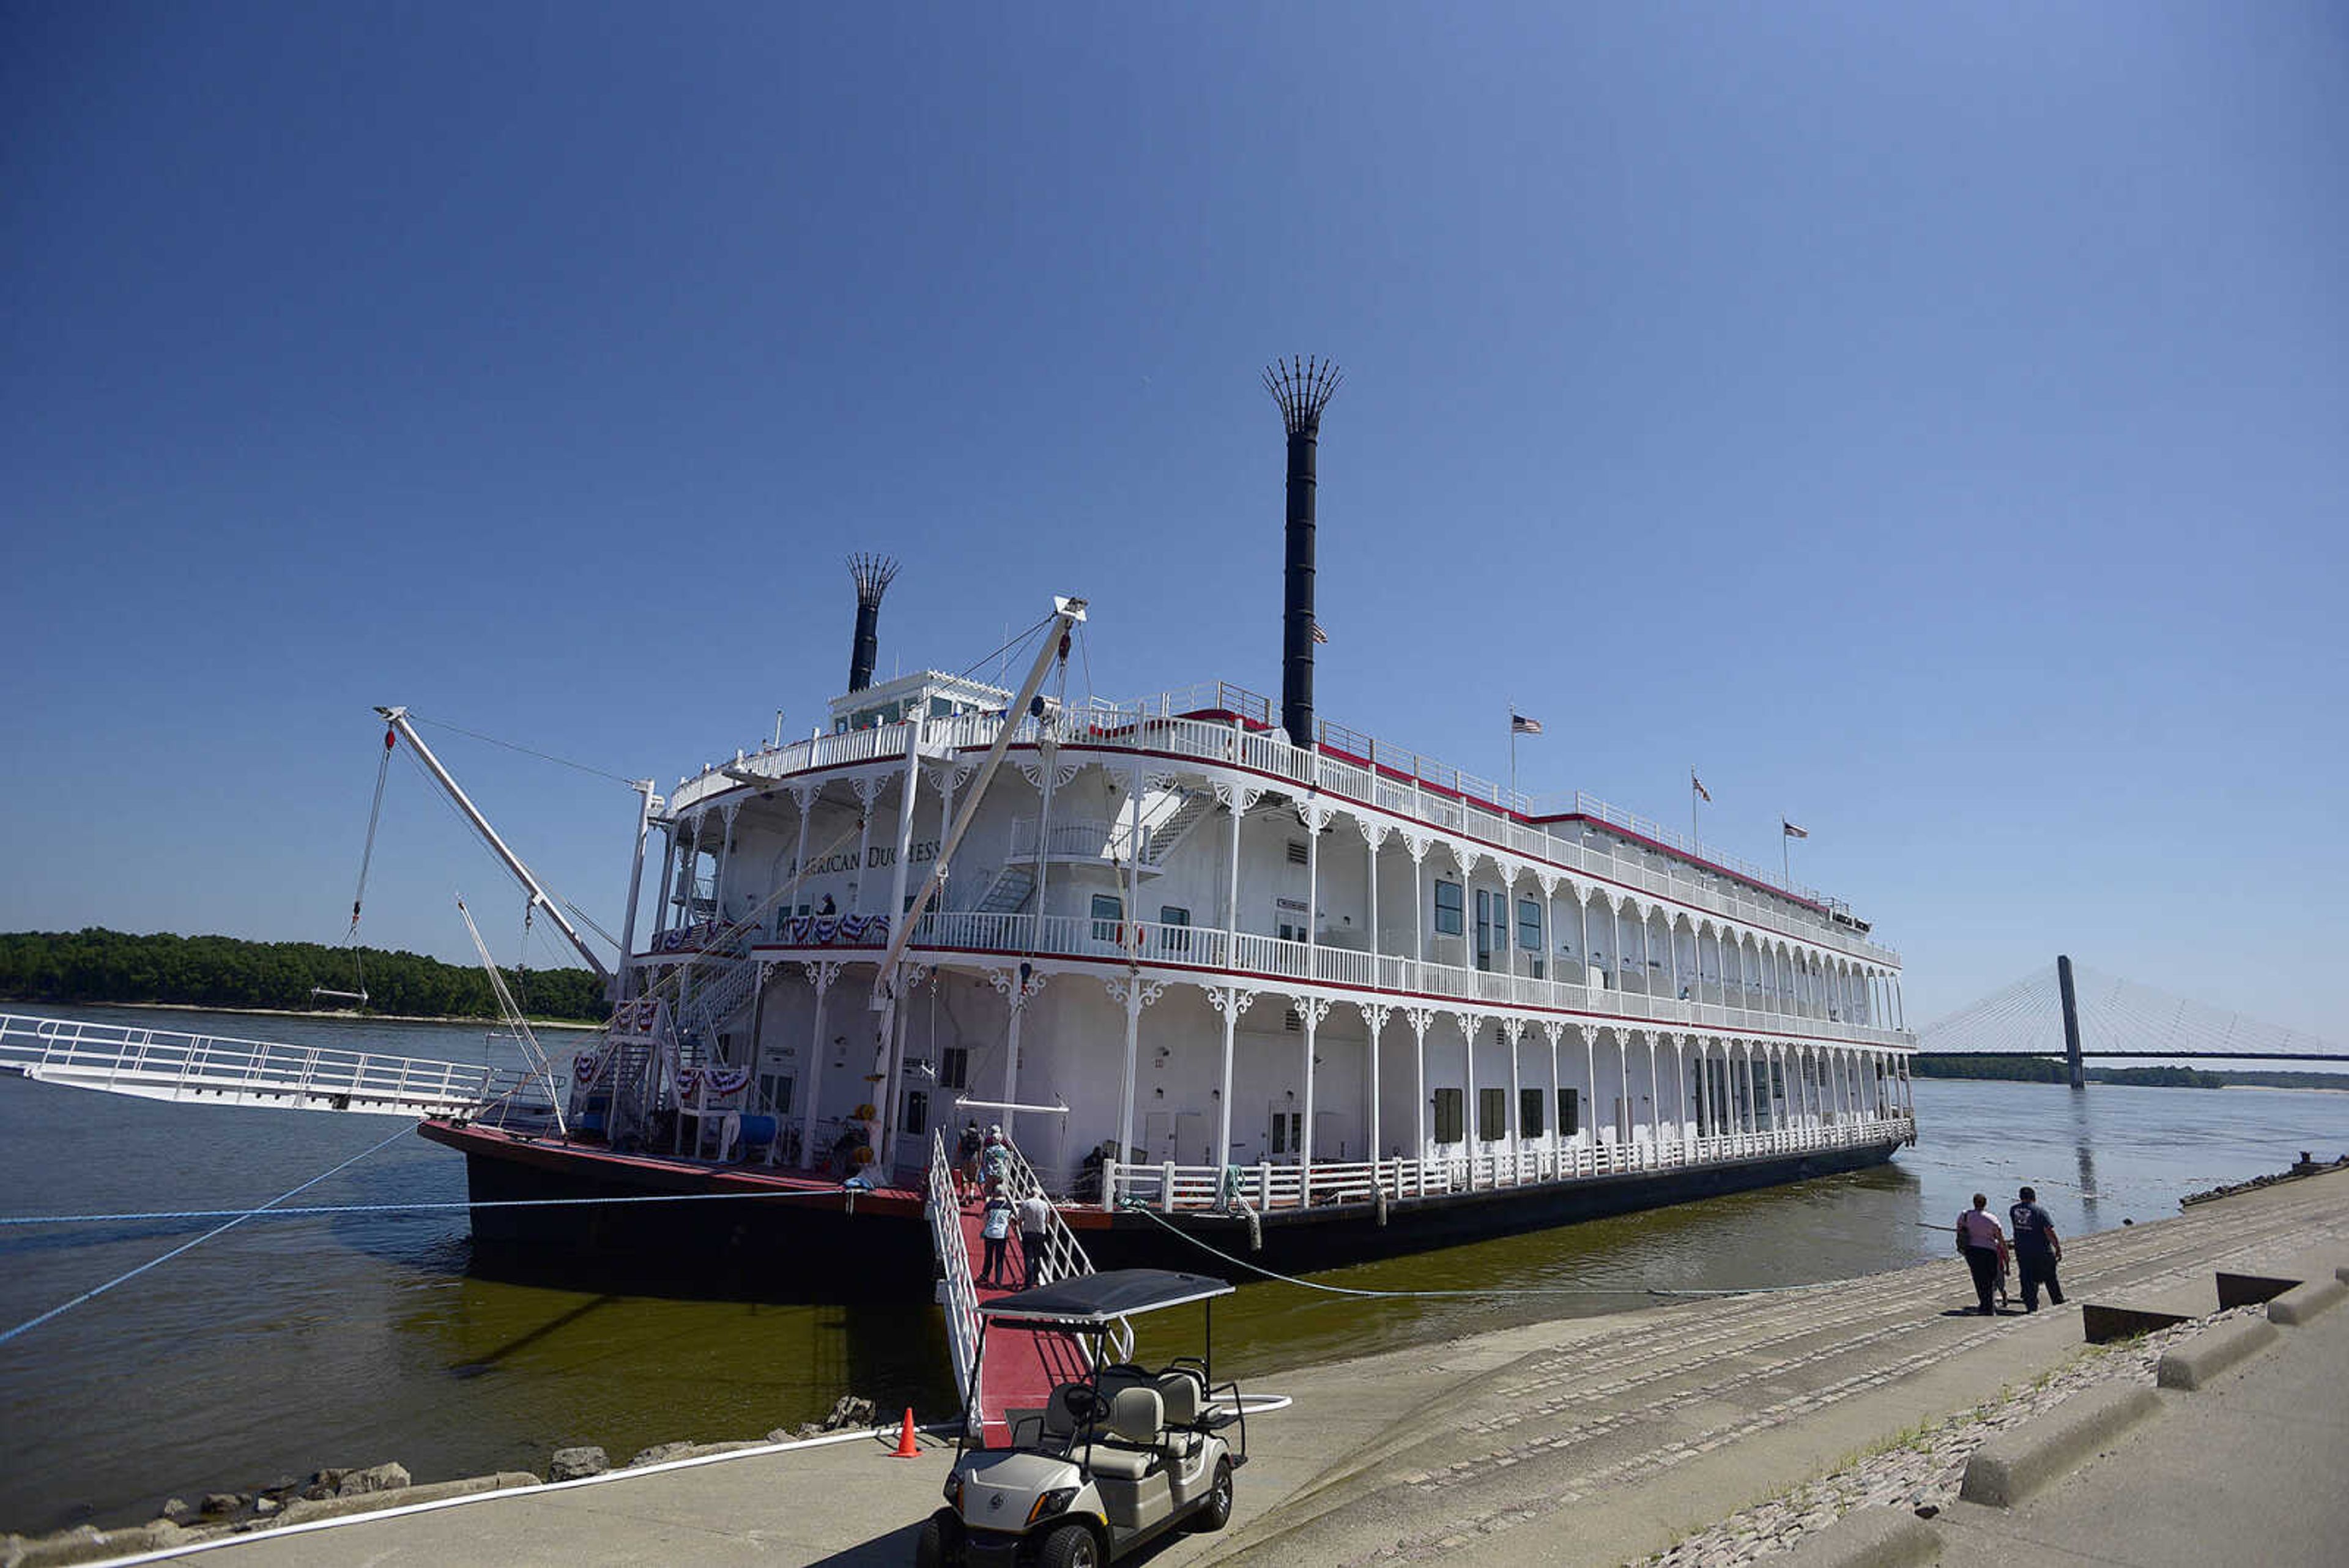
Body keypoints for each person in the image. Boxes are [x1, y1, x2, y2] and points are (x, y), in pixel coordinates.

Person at [2008, 1185, 2066, 1310]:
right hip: (2041, 1250)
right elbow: (2049, 1231)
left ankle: (2031, 1305)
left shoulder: (2013, 1210)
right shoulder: (2040, 1211)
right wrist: (2058, 1248)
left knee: (2027, 1277)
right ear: (2034, 1197)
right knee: (2050, 1277)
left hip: (2022, 1250)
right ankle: (2057, 1301)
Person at [1956, 1192, 2008, 1316]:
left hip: (1972, 1250)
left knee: (1979, 1279)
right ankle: (1989, 1307)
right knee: (1990, 1279)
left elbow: (1959, 1230)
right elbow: (2000, 1238)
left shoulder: (1965, 1215)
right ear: (1985, 1204)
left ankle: (1984, 1304)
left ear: (1974, 1203)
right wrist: (2006, 1253)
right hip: (1989, 1251)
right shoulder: (1992, 1219)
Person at [978, 1182, 1014, 1287]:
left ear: (995, 1193)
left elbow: (985, 1219)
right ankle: (998, 1281)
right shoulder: (1009, 1206)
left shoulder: (990, 1204)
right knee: (999, 1259)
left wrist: (984, 1230)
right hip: (1002, 1235)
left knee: (988, 1256)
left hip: (990, 1233)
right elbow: (1011, 1220)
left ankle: (985, 1275)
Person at [1018, 1189, 1053, 1290]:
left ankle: (1028, 1283)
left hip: (1028, 1233)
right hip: (1040, 1234)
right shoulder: (1045, 1205)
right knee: (1038, 1257)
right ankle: (1036, 1279)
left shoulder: (1026, 1203)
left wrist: (1021, 1231)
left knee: (1028, 1258)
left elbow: (1020, 1220)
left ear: (1030, 1194)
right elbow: (1047, 1221)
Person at [956, 1120, 984, 1200]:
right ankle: (971, 1195)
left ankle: (964, 1196)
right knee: (973, 1178)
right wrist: (980, 1162)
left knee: (964, 1178)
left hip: (965, 1157)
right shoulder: (980, 1136)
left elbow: (959, 1147)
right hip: (974, 1158)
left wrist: (957, 1158)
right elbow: (980, 1151)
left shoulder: (963, 1134)